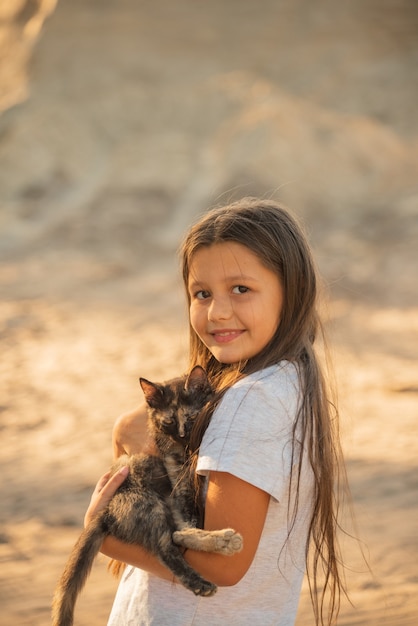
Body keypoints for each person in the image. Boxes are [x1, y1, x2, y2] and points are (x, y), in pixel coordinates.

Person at [85, 197, 348, 625]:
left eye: (240, 289)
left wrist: (103, 533)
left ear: (293, 290)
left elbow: (223, 564)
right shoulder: (287, 381)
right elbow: (136, 434)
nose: (217, 312)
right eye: (201, 293)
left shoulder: (251, 401)